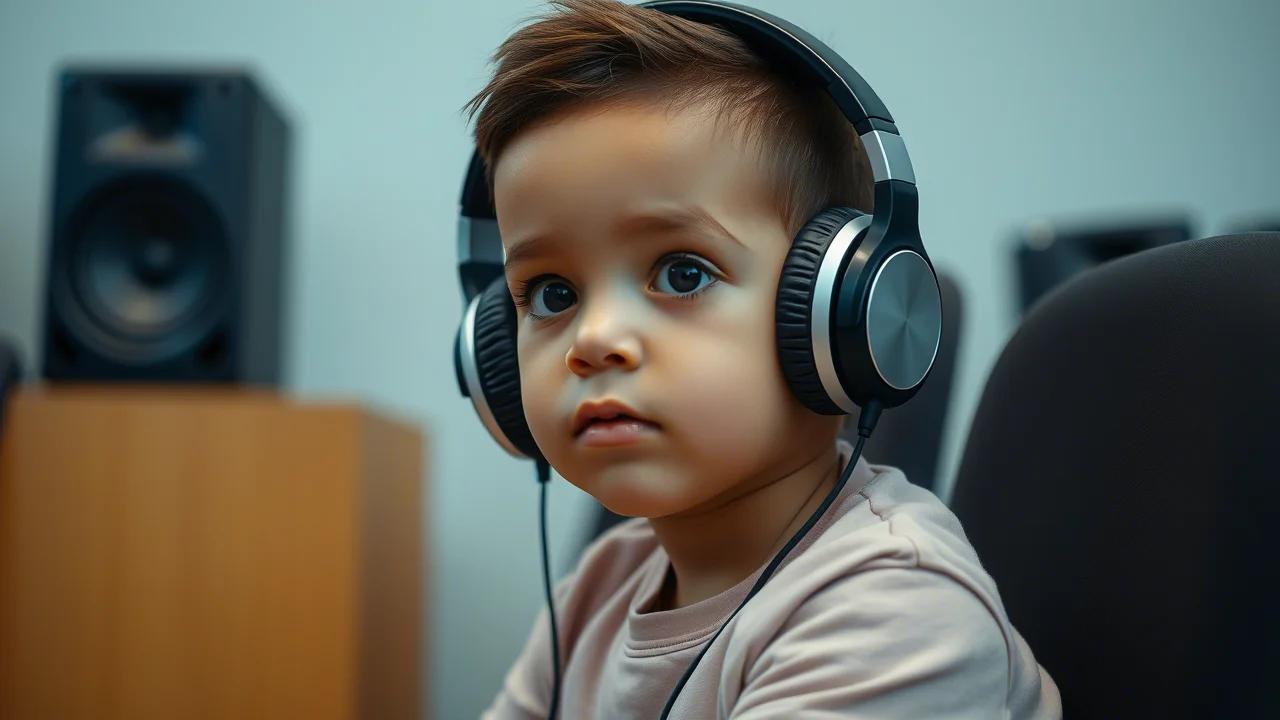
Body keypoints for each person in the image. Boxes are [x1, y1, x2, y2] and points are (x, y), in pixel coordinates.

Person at [462, 1, 1062, 717]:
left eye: (682, 273)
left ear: (845, 312)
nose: (594, 340)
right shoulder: (601, 587)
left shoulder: (888, 610)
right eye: (552, 293)